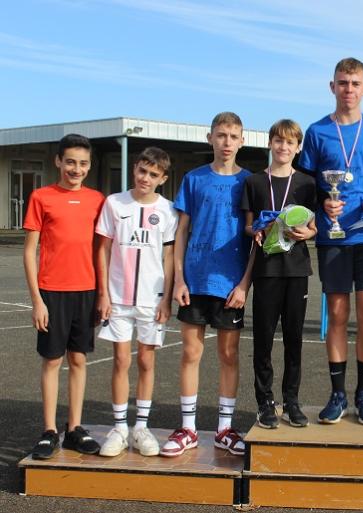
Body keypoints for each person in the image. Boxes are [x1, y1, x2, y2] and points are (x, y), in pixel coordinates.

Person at [298, 57, 363, 425]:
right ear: (332, 86)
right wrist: (323, 201)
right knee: (337, 314)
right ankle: (337, 394)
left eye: (355, 83)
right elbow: (307, 184)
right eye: (342, 82)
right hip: (333, 235)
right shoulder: (317, 131)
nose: (348, 89)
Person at [161, 112, 253, 457]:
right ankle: (188, 428)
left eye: (233, 136)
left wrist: (244, 284)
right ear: (210, 138)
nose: (227, 142)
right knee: (190, 353)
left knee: (229, 355)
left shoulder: (250, 182)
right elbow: (181, 231)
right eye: (221, 135)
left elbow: (255, 239)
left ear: (242, 141)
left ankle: (224, 429)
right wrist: (179, 279)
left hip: (230, 283)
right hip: (196, 280)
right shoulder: (194, 179)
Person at [24, 134, 104, 459]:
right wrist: (37, 300)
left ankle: (74, 429)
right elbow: (29, 251)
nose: (76, 169)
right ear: (58, 161)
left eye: (83, 163)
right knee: (53, 360)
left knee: (79, 359)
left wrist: (102, 295)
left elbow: (101, 251)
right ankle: (49, 431)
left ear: (89, 166)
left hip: (85, 290)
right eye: (70, 162)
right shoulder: (41, 197)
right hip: (52, 292)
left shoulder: (97, 200)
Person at [95, 147, 178, 456]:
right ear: (134, 169)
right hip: (117, 297)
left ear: (163, 179)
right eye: (142, 171)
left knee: (146, 360)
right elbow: (103, 250)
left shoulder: (168, 210)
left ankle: (141, 428)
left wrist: (166, 299)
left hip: (151, 299)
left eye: (153, 174)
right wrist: (103, 293)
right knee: (121, 360)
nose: (146, 178)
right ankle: (119, 428)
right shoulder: (114, 203)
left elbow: (169, 256)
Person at [242, 119, 317, 429]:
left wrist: (307, 233)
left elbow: (313, 226)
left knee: (293, 339)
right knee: (263, 339)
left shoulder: (307, 183)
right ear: (270, 143)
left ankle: (292, 401)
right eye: (278, 141)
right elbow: (248, 225)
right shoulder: (254, 182)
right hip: (267, 270)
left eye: (289, 142)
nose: (283, 147)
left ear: (297, 148)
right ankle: (265, 402)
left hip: (296, 269)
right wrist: (257, 230)